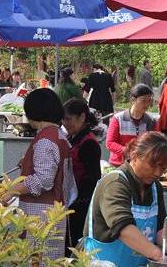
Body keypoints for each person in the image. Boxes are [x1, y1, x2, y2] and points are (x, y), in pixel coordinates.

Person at [0, 88, 77, 262]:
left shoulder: (45, 140)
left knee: (36, 259)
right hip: (54, 211)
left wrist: (12, 191)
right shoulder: (59, 135)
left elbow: (44, 180)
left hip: (40, 214)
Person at [84, 131, 167, 265]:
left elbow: (160, 226)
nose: (158, 173)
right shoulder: (115, 183)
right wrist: (157, 255)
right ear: (135, 156)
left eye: (163, 168)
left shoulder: (155, 187)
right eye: (153, 165)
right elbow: (122, 227)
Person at [62, 98, 102, 251]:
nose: (65, 123)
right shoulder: (72, 138)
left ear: (82, 117)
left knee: (75, 248)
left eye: (68, 119)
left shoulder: (88, 144)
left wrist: (77, 204)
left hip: (81, 206)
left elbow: (93, 179)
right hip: (70, 202)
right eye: (63, 119)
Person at [106, 84, 157, 167]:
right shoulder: (118, 118)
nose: (147, 104)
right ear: (133, 100)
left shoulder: (151, 121)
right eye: (143, 100)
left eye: (149, 100)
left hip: (140, 166)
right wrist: (127, 151)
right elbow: (110, 143)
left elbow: (154, 144)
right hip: (118, 165)